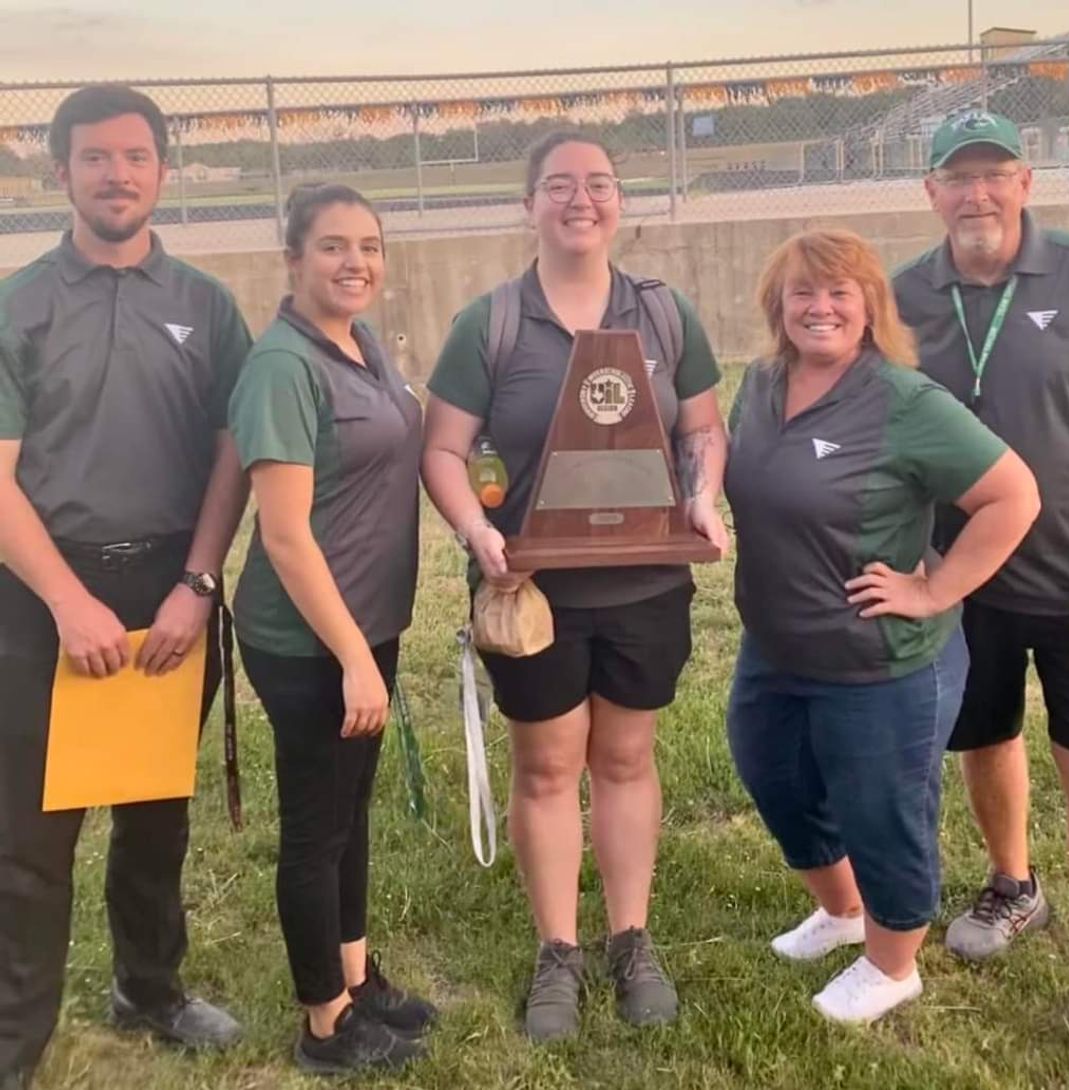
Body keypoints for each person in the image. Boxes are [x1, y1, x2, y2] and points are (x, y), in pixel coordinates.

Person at [421, 131, 729, 1042]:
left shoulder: (665, 314)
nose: (579, 200)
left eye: (598, 183)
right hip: (536, 594)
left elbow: (704, 431)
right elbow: (442, 448)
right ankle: (559, 948)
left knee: (627, 760)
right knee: (548, 768)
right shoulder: (492, 322)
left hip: (646, 586)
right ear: (529, 205)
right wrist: (478, 532)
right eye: (558, 185)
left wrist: (704, 495)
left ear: (619, 203)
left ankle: (630, 939)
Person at [0, 86, 250, 1087]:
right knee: (29, 836)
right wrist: (66, 600)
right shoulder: (17, 303)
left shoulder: (204, 303)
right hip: (36, 591)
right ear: (58, 171)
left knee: (155, 814)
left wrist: (197, 581)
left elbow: (236, 453)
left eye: (136, 156)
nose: (117, 173)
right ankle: (16, 1036)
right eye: (95, 157)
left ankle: (149, 989)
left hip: (168, 587)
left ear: (162, 171)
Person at [725, 229, 1039, 1024]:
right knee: (775, 778)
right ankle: (841, 912)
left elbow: (1014, 496)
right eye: (803, 292)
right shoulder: (761, 385)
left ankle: (894, 963)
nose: (820, 307)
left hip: (880, 661)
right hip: (775, 645)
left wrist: (936, 588)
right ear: (778, 306)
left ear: (871, 308)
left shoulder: (905, 402)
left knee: (882, 809)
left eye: (840, 293)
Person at [894, 110, 1069, 1088]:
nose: (976, 193)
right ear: (931, 193)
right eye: (957, 178)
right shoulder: (907, 294)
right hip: (967, 582)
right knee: (983, 739)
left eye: (995, 173)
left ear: (1028, 181)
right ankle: (1013, 883)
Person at [227, 184, 435, 1075]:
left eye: (370, 246)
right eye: (333, 246)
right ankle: (322, 1024)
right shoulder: (283, 366)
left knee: (350, 813)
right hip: (311, 643)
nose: (356, 262)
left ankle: (354, 975)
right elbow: (282, 532)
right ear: (292, 258)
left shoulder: (360, 347)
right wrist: (353, 657)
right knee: (317, 828)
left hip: (365, 626)